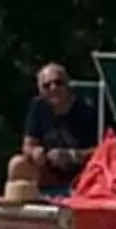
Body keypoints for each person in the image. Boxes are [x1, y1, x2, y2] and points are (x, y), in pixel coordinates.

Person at [11, 63, 98, 195]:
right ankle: (21, 209)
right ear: (41, 90)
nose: (53, 88)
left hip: (81, 174)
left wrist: (72, 156)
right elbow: (28, 144)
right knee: (17, 163)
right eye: (47, 85)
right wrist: (35, 152)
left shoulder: (86, 111)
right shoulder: (37, 107)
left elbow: (101, 151)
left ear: (67, 84)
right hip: (47, 172)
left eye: (58, 83)